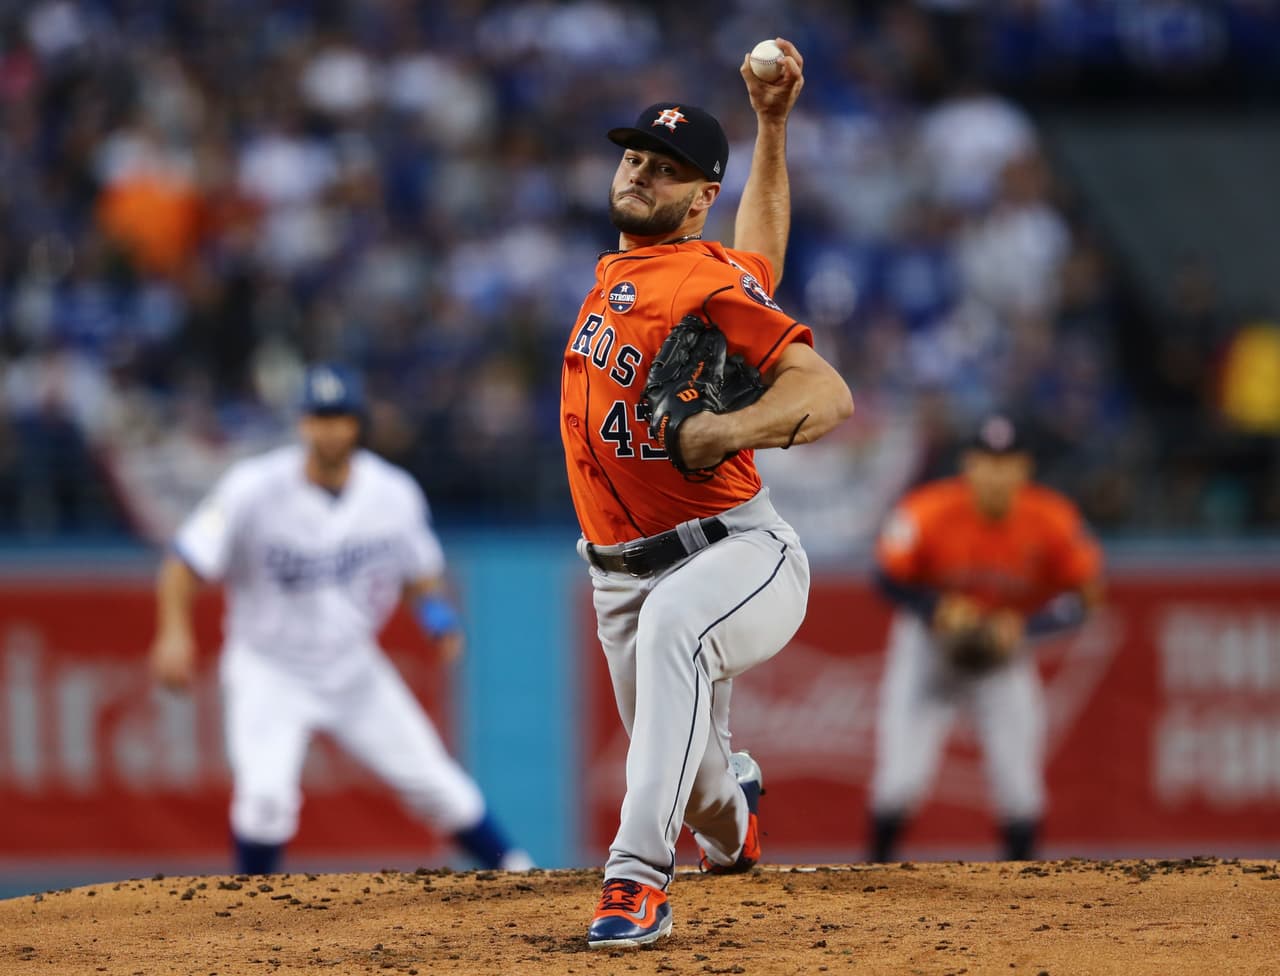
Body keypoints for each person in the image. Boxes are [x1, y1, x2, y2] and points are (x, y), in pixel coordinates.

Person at [561, 40, 854, 948]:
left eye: (669, 169)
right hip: (619, 573)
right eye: (636, 156)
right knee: (699, 787)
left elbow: (826, 394)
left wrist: (726, 430)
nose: (642, 172)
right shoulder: (647, 273)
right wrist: (771, 127)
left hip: (738, 552)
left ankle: (637, 879)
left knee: (674, 630)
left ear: (699, 199)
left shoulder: (698, 275)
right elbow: (759, 255)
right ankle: (736, 815)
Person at [148, 363, 533, 875]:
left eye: (339, 417)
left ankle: (521, 872)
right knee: (264, 803)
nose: (329, 429)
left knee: (439, 787)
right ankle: (246, 921)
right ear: (302, 424)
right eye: (318, 417)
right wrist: (173, 634)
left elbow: (421, 575)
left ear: (357, 424)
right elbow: (183, 564)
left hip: (353, 669)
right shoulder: (251, 487)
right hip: (270, 668)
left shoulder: (392, 493)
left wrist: (437, 615)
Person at [867, 412, 1104, 863]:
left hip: (1002, 655)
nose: (996, 472)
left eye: (1007, 461)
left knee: (1020, 789)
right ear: (968, 464)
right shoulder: (928, 509)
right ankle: (872, 881)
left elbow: (1088, 596)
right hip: (928, 652)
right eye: (986, 460)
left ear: (1024, 468)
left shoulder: (1051, 518)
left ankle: (1022, 900)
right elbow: (883, 576)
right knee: (899, 782)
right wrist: (936, 607)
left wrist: (1029, 628)